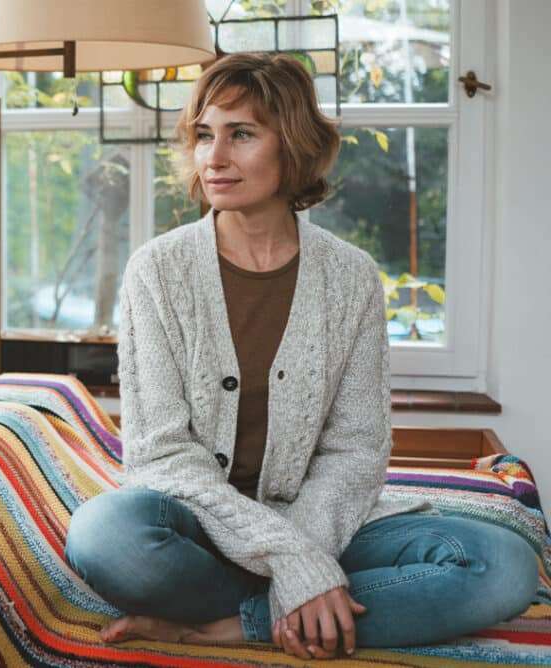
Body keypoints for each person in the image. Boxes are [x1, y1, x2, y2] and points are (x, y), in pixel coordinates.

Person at [64, 52, 538, 660]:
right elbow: (160, 455)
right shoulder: (157, 271)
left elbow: (357, 447)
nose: (214, 157)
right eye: (205, 134)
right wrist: (291, 562)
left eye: (241, 134)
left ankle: (241, 625)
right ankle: (311, 604)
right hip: (199, 527)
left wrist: (306, 552)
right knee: (106, 536)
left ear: (291, 147)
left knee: (503, 566)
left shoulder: (351, 277)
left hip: (328, 528)